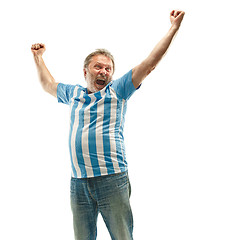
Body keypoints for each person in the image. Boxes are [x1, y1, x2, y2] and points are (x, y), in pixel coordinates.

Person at [31, 10, 185, 240]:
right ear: (86, 71)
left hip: (111, 179)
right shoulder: (73, 93)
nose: (103, 72)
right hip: (78, 182)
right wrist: (38, 57)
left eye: (108, 69)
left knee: (122, 236)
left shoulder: (117, 91)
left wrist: (173, 28)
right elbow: (47, 84)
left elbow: (149, 63)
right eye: (98, 67)